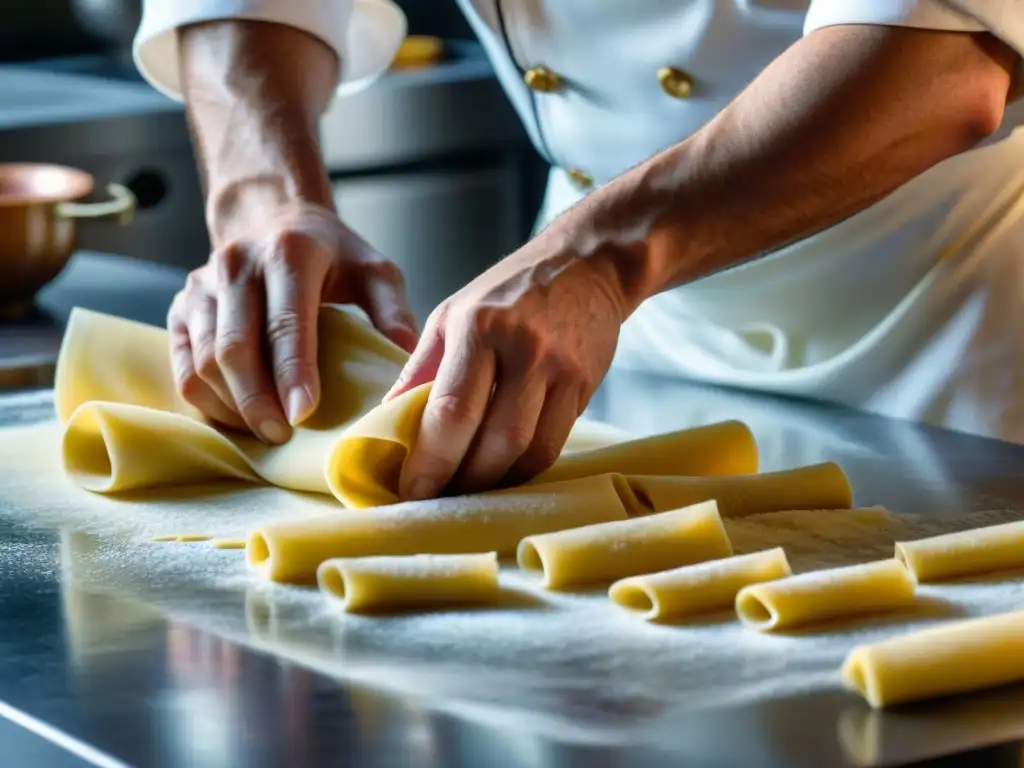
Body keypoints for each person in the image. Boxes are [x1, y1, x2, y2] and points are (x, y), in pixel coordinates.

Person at [135, 1, 1024, 502]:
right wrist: (263, 200)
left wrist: (598, 257)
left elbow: (942, 58)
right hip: (620, 350)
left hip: (946, 346)